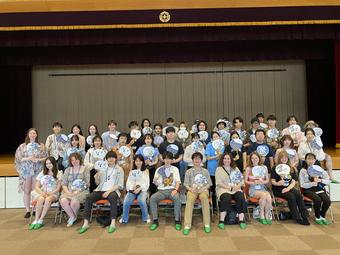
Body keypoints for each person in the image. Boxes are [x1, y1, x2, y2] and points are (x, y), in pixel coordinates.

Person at [79, 151, 124, 233]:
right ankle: (86, 223)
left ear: (115, 159)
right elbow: (97, 183)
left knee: (113, 197)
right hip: (100, 189)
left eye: (113, 157)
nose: (111, 159)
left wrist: (109, 191)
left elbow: (120, 185)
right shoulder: (103, 168)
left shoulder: (119, 169)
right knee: (88, 198)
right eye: (109, 157)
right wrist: (97, 176)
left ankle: (113, 223)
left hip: (113, 190)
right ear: (106, 159)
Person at [271, 151, 310, 225]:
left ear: (287, 158)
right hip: (278, 189)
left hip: (288, 188)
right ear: (279, 159)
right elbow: (272, 181)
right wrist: (278, 183)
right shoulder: (275, 168)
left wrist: (287, 188)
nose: (284, 159)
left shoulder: (291, 168)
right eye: (282, 158)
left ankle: (304, 216)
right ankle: (297, 218)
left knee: (298, 194)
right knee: (291, 196)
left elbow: (293, 182)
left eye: (285, 157)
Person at [15, 128, 47, 218]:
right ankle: (28, 210)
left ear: (36, 135)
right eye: (31, 133)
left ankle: (35, 209)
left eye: (34, 133)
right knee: (27, 190)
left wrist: (38, 159)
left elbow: (45, 157)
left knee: (35, 190)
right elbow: (18, 158)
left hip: (37, 169)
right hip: (26, 170)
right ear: (28, 135)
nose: (32, 135)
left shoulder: (41, 145)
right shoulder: (22, 146)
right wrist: (28, 158)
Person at [149, 152, 182, 231]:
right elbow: (156, 184)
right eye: (166, 159)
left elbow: (178, 182)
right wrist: (155, 180)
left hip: (172, 190)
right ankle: (155, 221)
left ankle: (177, 221)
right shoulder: (159, 169)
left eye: (169, 159)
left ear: (171, 160)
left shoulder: (175, 169)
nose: (167, 160)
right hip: (161, 191)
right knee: (152, 198)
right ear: (163, 160)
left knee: (177, 199)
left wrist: (175, 190)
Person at [182, 152, 212, 235]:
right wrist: (191, 189)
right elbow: (185, 184)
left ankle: (207, 224)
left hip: (203, 190)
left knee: (204, 198)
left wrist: (202, 188)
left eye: (198, 158)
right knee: (190, 199)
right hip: (192, 190)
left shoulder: (205, 171)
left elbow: (209, 184)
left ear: (201, 160)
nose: (197, 160)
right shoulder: (188, 171)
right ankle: (187, 225)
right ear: (192, 160)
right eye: (195, 158)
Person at [29, 157, 63, 229]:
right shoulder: (43, 173)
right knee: (41, 199)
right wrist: (42, 193)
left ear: (54, 163)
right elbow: (37, 187)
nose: (48, 165)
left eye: (50, 163)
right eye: (47, 163)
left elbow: (58, 188)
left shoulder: (59, 173)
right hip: (43, 192)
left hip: (53, 193)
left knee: (48, 199)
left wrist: (50, 193)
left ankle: (41, 219)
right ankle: (36, 219)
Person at [215, 153, 247, 229]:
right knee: (226, 197)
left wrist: (238, 186)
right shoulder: (218, 169)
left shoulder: (235, 168)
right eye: (225, 158)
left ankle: (241, 219)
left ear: (231, 160)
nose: (226, 160)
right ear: (222, 160)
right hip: (224, 189)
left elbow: (241, 180)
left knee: (240, 197)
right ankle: (222, 220)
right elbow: (218, 183)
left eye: (228, 158)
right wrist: (228, 187)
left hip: (235, 188)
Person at [299, 153, 332, 225]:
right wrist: (312, 183)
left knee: (327, 201)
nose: (310, 161)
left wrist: (320, 180)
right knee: (318, 200)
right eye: (308, 159)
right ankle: (317, 217)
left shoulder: (319, 170)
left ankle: (322, 216)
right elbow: (302, 185)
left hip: (319, 189)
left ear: (315, 160)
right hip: (307, 190)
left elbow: (328, 180)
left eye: (312, 159)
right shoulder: (303, 170)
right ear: (305, 160)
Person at [60, 152, 90, 227]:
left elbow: (87, 183)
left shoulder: (85, 169)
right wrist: (68, 192)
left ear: (79, 159)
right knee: (63, 200)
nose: (75, 161)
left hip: (82, 191)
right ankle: (73, 217)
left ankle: (73, 216)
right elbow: (64, 184)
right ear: (70, 161)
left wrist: (77, 191)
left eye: (76, 159)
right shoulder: (67, 170)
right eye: (72, 160)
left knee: (74, 202)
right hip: (69, 191)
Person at [120, 155, 150, 224]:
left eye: (140, 161)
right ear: (134, 162)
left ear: (143, 162)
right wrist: (132, 187)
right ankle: (124, 218)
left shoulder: (146, 171)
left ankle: (146, 217)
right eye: (136, 161)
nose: (138, 162)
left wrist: (139, 188)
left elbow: (147, 183)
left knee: (141, 201)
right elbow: (128, 183)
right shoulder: (132, 171)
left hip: (142, 190)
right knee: (126, 202)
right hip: (132, 190)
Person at [245, 152, 273, 225]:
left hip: (262, 187)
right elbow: (245, 181)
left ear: (259, 159)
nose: (254, 160)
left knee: (269, 198)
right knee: (264, 195)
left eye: (256, 158)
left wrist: (262, 182)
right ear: (250, 159)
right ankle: (261, 215)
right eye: (252, 158)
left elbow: (267, 180)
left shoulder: (264, 168)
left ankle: (267, 215)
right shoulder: (248, 168)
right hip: (253, 189)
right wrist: (253, 182)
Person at [205, 131, 225, 209]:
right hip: (211, 170)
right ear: (211, 139)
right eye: (214, 137)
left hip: (220, 169)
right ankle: (213, 207)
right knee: (212, 188)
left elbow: (222, 157)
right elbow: (208, 158)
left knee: (220, 187)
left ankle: (221, 205)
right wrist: (216, 156)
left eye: (217, 136)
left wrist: (219, 156)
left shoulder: (222, 145)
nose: (216, 138)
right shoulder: (209, 145)